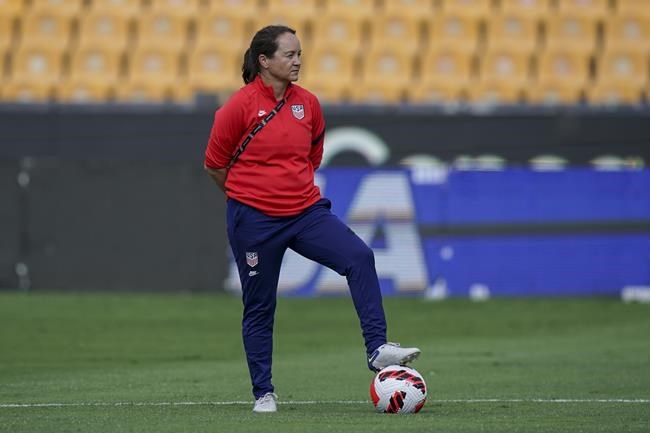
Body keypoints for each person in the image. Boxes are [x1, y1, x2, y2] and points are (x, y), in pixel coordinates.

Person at [203, 25, 420, 413]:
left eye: (299, 54)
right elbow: (215, 165)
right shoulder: (237, 107)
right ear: (264, 60)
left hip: (305, 213)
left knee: (359, 256)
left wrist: (289, 190)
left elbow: (311, 156)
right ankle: (264, 393)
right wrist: (248, 197)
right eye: (289, 54)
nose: (298, 61)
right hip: (254, 220)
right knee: (260, 306)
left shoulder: (308, 104)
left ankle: (377, 348)